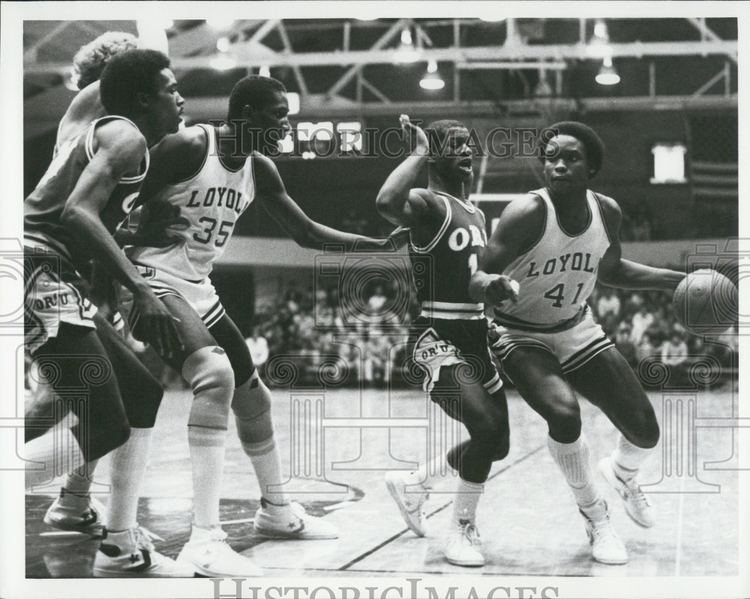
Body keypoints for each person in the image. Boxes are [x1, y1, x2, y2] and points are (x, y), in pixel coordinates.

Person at [124, 75, 405, 577]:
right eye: (278, 115)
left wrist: (378, 246)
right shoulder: (191, 146)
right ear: (247, 114)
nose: (285, 125)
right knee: (217, 377)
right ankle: (204, 540)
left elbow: (304, 232)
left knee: (255, 398)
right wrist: (127, 235)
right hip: (149, 279)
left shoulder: (260, 167)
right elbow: (111, 195)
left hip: (197, 286)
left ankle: (276, 511)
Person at [470, 121, 686, 565]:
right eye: (551, 157)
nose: (559, 165)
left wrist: (679, 281)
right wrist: (490, 284)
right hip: (519, 331)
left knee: (645, 431)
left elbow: (612, 270)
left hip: (576, 326)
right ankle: (596, 518)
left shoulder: (607, 212)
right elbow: (475, 275)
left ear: (592, 169)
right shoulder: (526, 212)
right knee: (565, 416)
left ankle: (623, 474)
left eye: (571, 157)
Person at [24, 49, 191, 576]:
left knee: (142, 392)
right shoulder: (129, 136)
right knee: (102, 424)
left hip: (48, 268)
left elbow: (75, 211)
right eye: (170, 87)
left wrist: (139, 234)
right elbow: (75, 213)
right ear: (143, 98)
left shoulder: (93, 129)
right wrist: (139, 287)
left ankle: (118, 544)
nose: (182, 96)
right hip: (33, 266)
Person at [376, 115, 509, 567]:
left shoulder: (477, 212)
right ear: (433, 155)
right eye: (454, 145)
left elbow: (472, 278)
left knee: (499, 442)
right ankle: (461, 531)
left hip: (474, 332)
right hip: (436, 335)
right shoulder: (427, 202)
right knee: (486, 430)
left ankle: (415, 484)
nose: (466, 150)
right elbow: (386, 200)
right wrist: (415, 152)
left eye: (468, 143)